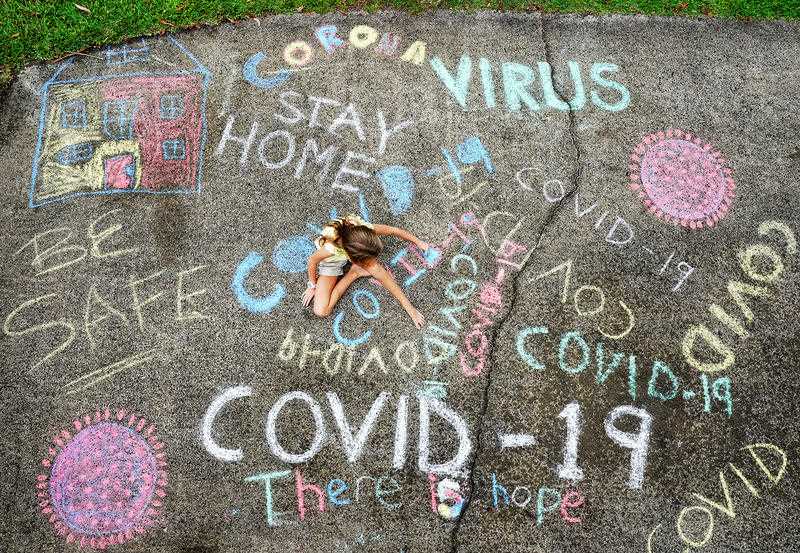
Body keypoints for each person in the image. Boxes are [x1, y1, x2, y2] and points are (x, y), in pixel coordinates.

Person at [302, 214, 427, 329]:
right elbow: (312, 260)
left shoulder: (365, 230)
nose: (372, 262)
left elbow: (393, 230)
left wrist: (419, 242)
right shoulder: (330, 248)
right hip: (332, 261)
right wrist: (312, 285)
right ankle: (353, 273)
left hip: (351, 248)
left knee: (380, 273)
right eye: (367, 261)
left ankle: (356, 271)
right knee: (321, 310)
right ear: (353, 259)